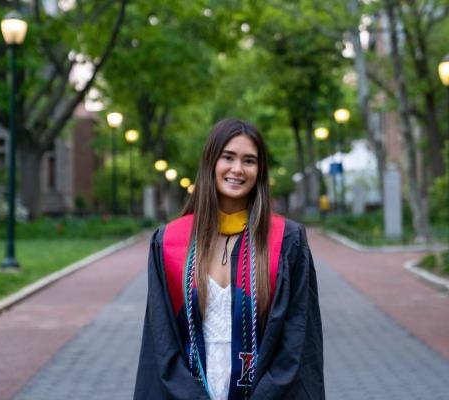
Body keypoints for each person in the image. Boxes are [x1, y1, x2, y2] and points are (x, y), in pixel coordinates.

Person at [133, 118, 324, 400]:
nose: (237, 169)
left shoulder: (286, 241)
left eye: (249, 161)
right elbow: (161, 342)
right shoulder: (170, 242)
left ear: (260, 171)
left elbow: (297, 338)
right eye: (228, 157)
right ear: (211, 162)